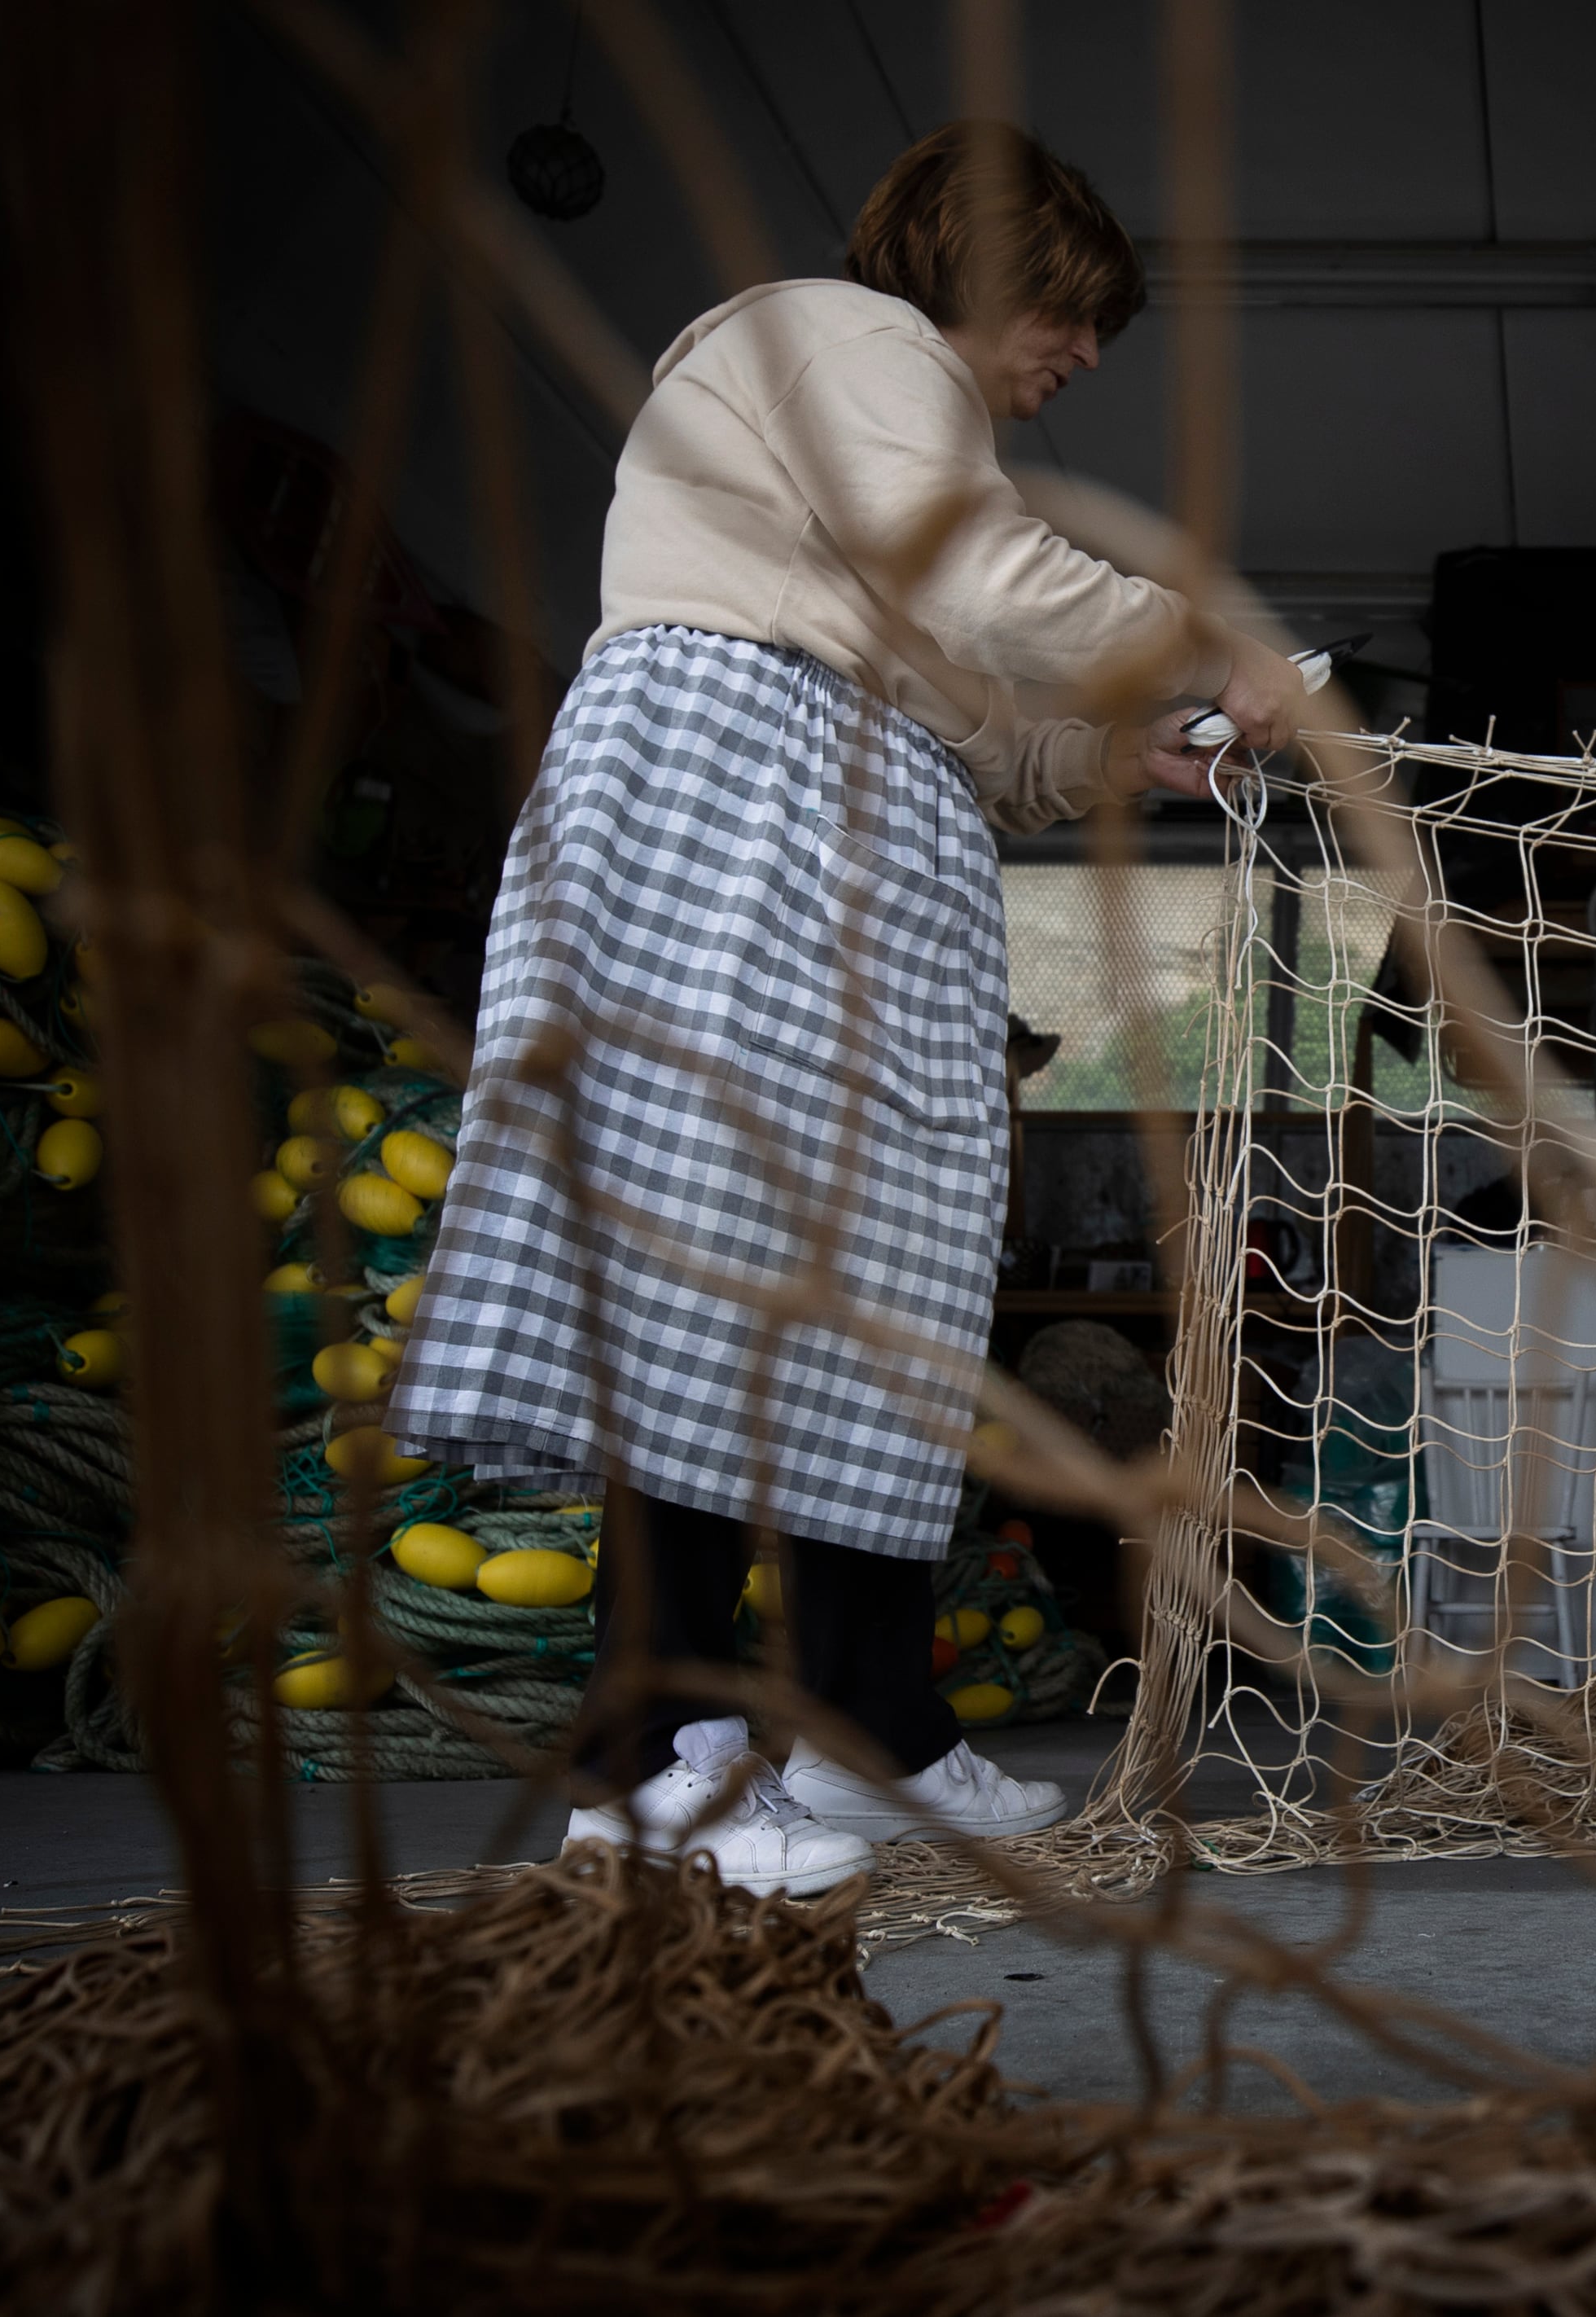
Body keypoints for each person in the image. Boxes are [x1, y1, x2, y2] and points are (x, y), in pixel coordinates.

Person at [387, 125, 1301, 1894]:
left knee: (871, 1308)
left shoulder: (881, 456)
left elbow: (975, 733)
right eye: (1069, 309)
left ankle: (870, 1726)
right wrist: (1215, 649)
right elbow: (983, 576)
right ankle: (647, 1769)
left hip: (857, 842)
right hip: (742, 822)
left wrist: (1115, 759)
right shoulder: (839, 336)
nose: (1083, 352)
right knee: (713, 1276)